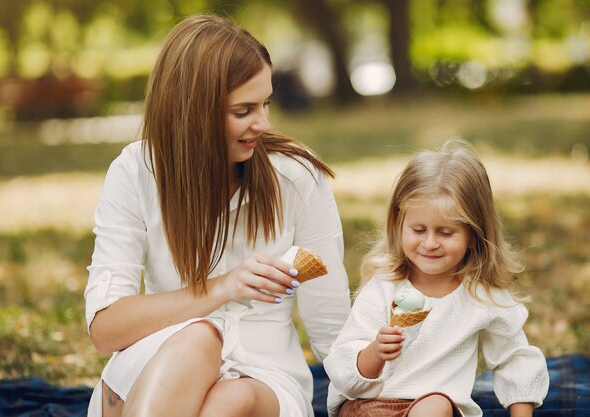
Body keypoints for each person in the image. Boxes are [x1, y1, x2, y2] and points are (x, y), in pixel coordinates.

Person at [84, 14, 351, 417]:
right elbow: (106, 330)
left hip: (263, 377)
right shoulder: (135, 171)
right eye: (244, 110)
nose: (263, 124)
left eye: (265, 104)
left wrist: (364, 397)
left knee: (231, 399)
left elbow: (332, 329)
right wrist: (224, 287)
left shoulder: (297, 177)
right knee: (199, 337)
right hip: (158, 360)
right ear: (193, 112)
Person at [323, 139, 549, 417]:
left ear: (473, 235)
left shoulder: (483, 297)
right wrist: (375, 353)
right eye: (418, 229)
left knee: (435, 406)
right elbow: (344, 370)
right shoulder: (384, 287)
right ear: (399, 225)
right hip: (370, 405)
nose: (430, 243)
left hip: (434, 409)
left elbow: (516, 358)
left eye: (445, 233)